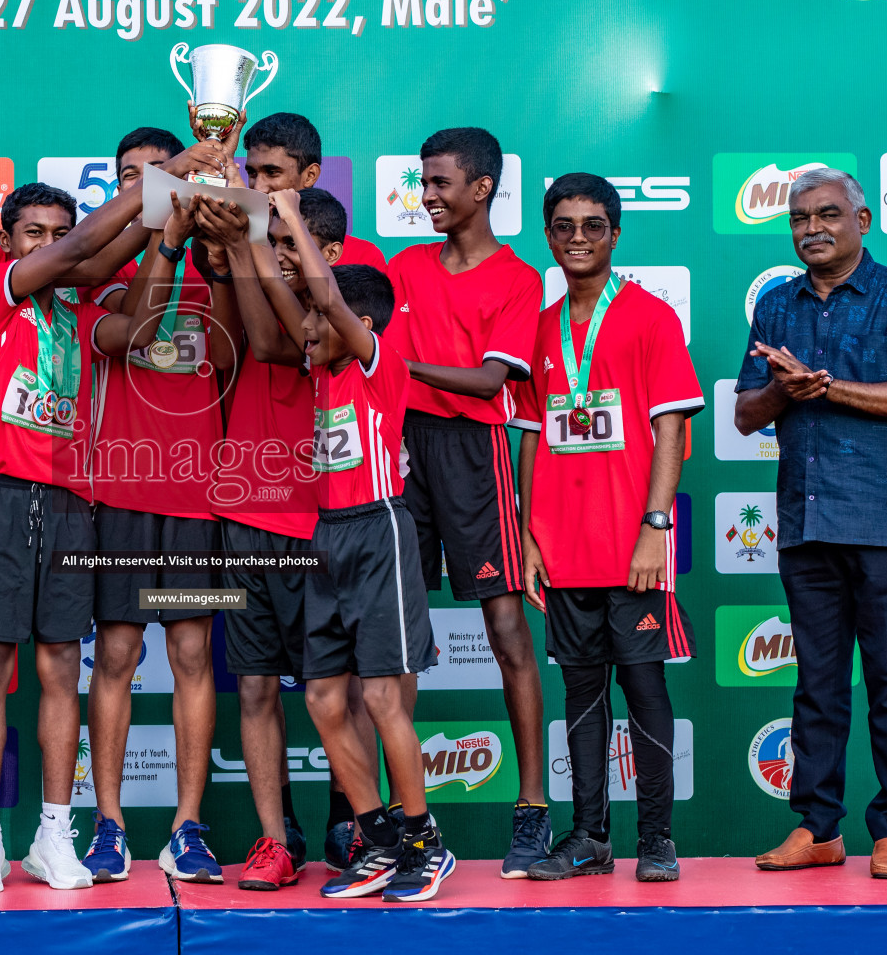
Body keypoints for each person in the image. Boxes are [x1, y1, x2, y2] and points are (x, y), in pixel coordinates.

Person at [0, 138, 226, 894]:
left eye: (51, 231)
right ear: (9, 243)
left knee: (62, 668)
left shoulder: (83, 310)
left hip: (73, 506)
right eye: (30, 233)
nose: (44, 245)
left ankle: (56, 835)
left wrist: (167, 235)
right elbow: (77, 247)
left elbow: (135, 333)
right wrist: (171, 176)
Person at [736, 168, 887, 880]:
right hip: (803, 521)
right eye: (799, 219)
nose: (811, 229)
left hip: (883, 518)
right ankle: (819, 828)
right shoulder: (775, 305)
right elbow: (745, 414)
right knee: (818, 685)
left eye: (827, 214)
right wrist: (782, 388)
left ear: (864, 219)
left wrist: (826, 386)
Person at [259, 188, 451, 903]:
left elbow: (327, 302)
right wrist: (254, 231)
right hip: (327, 541)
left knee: (380, 696)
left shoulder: (377, 364)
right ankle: (378, 839)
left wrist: (284, 208)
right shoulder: (324, 369)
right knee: (323, 699)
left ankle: (425, 844)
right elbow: (295, 307)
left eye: (317, 316)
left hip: (379, 530)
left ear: (356, 322)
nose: (305, 328)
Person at [511, 174, 701, 883]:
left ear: (616, 234)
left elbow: (672, 426)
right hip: (562, 549)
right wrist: (529, 535)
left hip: (633, 547)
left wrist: (657, 524)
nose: (579, 238)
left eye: (594, 225)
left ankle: (657, 840)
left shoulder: (649, 316)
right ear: (549, 235)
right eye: (565, 226)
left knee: (645, 689)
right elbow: (531, 436)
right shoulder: (539, 328)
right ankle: (589, 837)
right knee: (583, 695)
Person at [386, 127, 550, 877]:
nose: (427, 197)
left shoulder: (517, 277)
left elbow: (491, 384)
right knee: (392, 633)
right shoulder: (404, 265)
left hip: (475, 454)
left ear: (481, 188)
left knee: (507, 629)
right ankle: (404, 818)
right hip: (403, 449)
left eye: (440, 183)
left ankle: (533, 810)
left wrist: (394, 359)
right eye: (422, 183)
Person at [83, 125, 238, 887]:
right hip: (120, 491)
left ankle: (187, 826)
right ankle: (108, 823)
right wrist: (164, 246)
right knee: (115, 655)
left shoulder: (217, 268)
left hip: (195, 495)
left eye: (159, 174)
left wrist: (221, 236)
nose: (146, 187)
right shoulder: (104, 273)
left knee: (190, 655)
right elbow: (135, 328)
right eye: (130, 177)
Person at [193, 188, 352, 888]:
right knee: (254, 686)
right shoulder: (249, 280)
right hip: (245, 521)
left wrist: (251, 240)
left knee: (338, 694)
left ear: (331, 255)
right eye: (278, 241)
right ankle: (271, 840)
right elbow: (237, 343)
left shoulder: (348, 320)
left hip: (322, 528)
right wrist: (232, 255)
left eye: (294, 243)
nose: (283, 256)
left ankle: (358, 827)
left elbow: (273, 344)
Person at [233, 111, 386, 269]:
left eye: (272, 173)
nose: (258, 187)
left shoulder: (361, 257)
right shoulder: (234, 243)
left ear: (310, 175)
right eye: (252, 173)